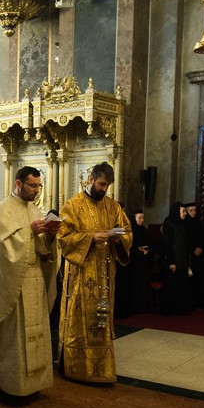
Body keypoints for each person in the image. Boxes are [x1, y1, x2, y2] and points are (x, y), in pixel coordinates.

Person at [0, 167, 60, 404]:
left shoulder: (34, 209)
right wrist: (29, 233)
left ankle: (34, 385)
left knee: (38, 336)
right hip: (13, 285)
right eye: (33, 186)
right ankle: (12, 388)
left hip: (35, 281)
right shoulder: (3, 210)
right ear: (18, 183)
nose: (36, 191)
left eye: (39, 186)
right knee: (15, 340)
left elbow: (42, 250)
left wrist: (50, 238)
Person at [56, 163, 132, 383]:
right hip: (81, 274)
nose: (104, 189)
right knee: (80, 319)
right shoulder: (72, 205)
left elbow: (126, 232)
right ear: (91, 179)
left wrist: (118, 239)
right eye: (101, 184)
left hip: (105, 275)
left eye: (107, 185)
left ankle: (102, 370)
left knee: (101, 318)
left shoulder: (113, 206)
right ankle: (74, 368)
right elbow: (63, 236)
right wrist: (90, 238)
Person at [159, 202, 196, 316]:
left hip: (182, 262)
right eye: (183, 211)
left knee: (182, 287)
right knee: (171, 287)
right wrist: (171, 262)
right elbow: (167, 245)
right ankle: (170, 310)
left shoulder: (183, 224)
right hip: (173, 262)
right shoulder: (168, 225)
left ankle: (181, 309)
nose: (185, 214)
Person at [116, 209, 155, 317]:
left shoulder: (144, 230)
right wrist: (138, 252)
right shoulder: (130, 231)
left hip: (144, 263)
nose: (142, 220)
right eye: (139, 218)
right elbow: (130, 247)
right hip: (135, 264)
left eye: (143, 218)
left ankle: (143, 307)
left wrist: (147, 251)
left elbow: (151, 243)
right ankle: (135, 307)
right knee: (135, 286)